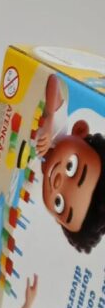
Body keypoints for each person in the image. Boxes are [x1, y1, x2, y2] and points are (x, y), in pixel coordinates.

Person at [36, 74, 105, 253]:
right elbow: (53, 80)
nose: (58, 182)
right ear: (79, 131)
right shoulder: (57, 132)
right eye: (71, 167)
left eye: (59, 203)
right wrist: (49, 119)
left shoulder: (35, 176)